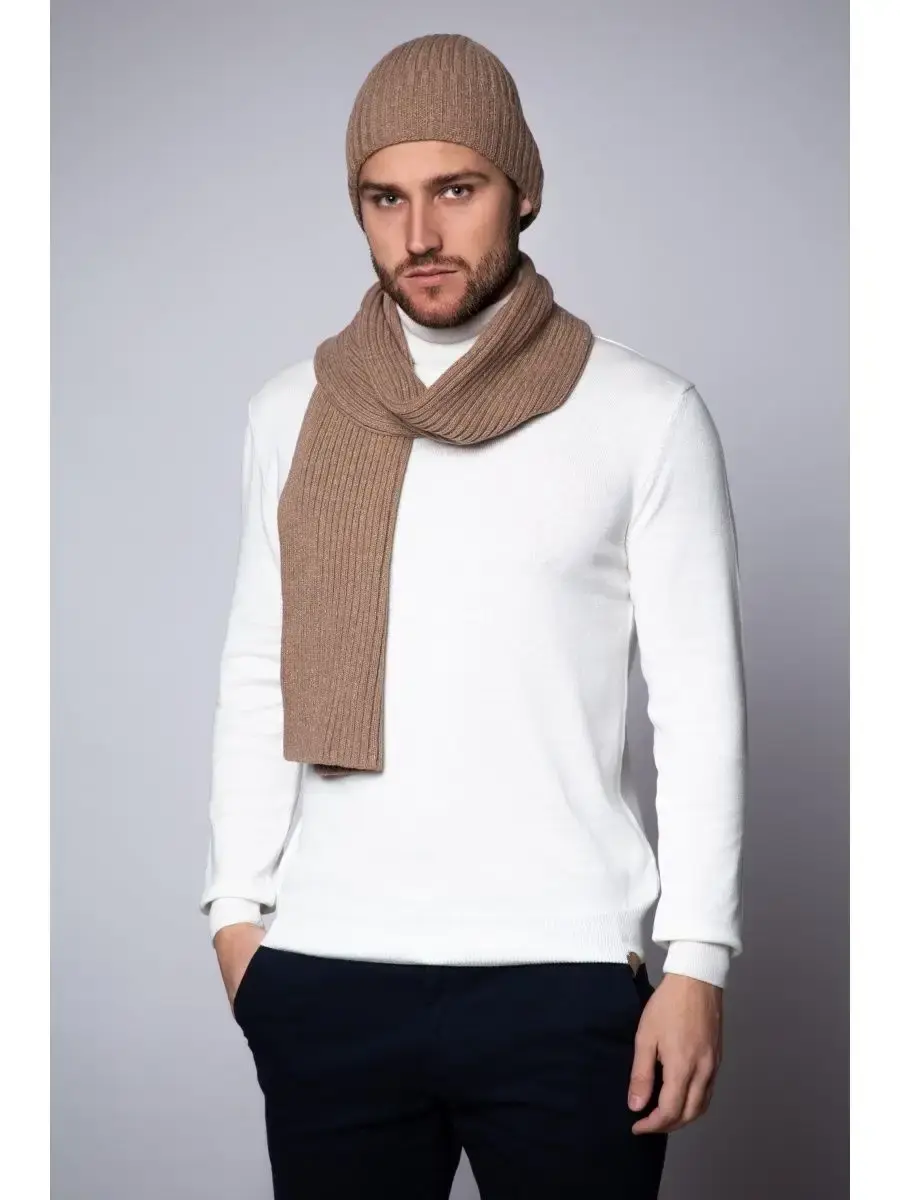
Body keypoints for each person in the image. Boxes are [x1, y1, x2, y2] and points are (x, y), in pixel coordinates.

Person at [200, 32, 747, 1200]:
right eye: (384, 197)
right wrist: (236, 918)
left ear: (523, 190)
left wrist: (698, 959)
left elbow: (697, 708)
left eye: (456, 189)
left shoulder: (643, 413)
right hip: (329, 972)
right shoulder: (292, 410)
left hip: (563, 978)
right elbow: (258, 671)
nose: (419, 234)